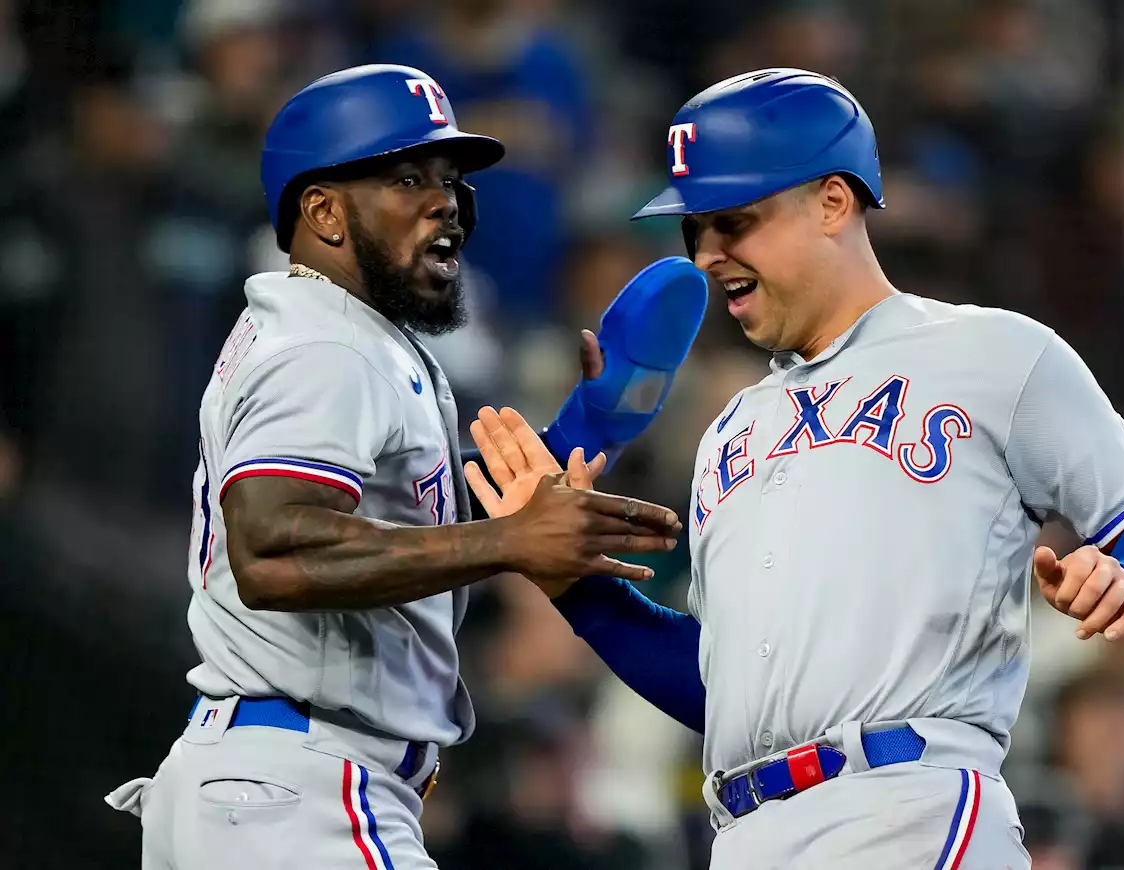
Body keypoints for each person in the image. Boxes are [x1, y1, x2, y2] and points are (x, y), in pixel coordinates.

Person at [465, 68, 1124, 869]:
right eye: (695, 230)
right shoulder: (729, 431)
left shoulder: (995, 353)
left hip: (907, 809)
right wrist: (576, 585)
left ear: (832, 201)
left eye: (734, 221)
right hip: (745, 832)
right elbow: (727, 699)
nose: (708, 254)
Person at [102, 63, 692, 869]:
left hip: (270, 786)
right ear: (324, 212)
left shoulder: (349, 338)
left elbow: (408, 520)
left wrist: (580, 433)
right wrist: (512, 543)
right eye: (407, 177)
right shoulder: (325, 347)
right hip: (301, 789)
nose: (445, 201)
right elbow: (272, 552)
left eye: (450, 180)